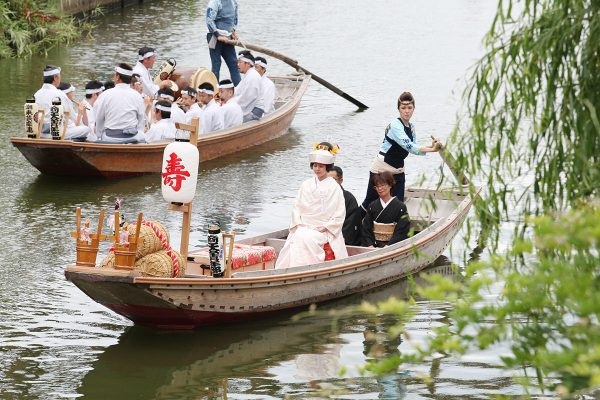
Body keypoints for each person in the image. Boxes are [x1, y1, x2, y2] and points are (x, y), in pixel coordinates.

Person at [275, 142, 349, 269]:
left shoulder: (334, 187)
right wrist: (299, 223)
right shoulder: (306, 184)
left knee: (308, 238)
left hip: (323, 228)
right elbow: (297, 207)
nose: (317, 169)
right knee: (298, 236)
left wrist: (326, 226)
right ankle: (291, 269)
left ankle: (306, 269)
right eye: (315, 165)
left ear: (327, 167)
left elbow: (339, 213)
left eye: (321, 166)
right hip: (304, 225)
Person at [361, 92, 439, 209]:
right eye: (403, 108)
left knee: (399, 206)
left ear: (414, 109)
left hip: (398, 170)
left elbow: (413, 146)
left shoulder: (411, 127)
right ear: (398, 109)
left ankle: (398, 227)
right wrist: (433, 150)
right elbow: (409, 147)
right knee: (369, 203)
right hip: (381, 169)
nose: (406, 111)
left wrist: (431, 146)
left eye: (409, 108)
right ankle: (352, 225)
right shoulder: (395, 125)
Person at [94, 63, 146, 143]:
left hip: (110, 138)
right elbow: (141, 119)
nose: (113, 77)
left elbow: (99, 118)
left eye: (115, 75)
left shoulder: (105, 94)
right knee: (142, 135)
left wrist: (99, 136)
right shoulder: (137, 95)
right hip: (132, 138)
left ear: (118, 77)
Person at [33, 65, 87, 141]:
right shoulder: (60, 94)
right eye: (59, 76)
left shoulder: (36, 94)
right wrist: (80, 112)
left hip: (39, 132)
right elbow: (72, 117)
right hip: (55, 133)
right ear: (55, 78)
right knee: (86, 129)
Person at [361, 171, 410, 248]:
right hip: (374, 246)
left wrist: (389, 245)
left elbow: (402, 231)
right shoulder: (372, 206)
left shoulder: (400, 207)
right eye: (377, 186)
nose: (380, 189)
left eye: (383, 185)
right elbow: (366, 228)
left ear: (390, 185)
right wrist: (370, 245)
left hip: (392, 246)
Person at [206, 0, 241, 86]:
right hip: (214, 36)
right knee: (216, 64)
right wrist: (218, 35)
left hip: (228, 37)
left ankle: (239, 88)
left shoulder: (234, 2)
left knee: (233, 63)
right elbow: (209, 20)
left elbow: (234, 19)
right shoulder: (215, 2)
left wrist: (233, 32)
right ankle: (215, 90)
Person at [328, 166, 362, 246]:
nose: (330, 183)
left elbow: (350, 224)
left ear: (341, 180)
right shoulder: (322, 196)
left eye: (333, 179)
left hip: (341, 238)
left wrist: (337, 237)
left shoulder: (349, 199)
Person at [234, 50, 264, 122]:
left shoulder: (253, 77)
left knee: (229, 118)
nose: (238, 65)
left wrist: (232, 106)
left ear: (248, 64)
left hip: (254, 111)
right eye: (238, 62)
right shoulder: (248, 75)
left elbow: (247, 98)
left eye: (240, 62)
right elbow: (237, 90)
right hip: (250, 107)